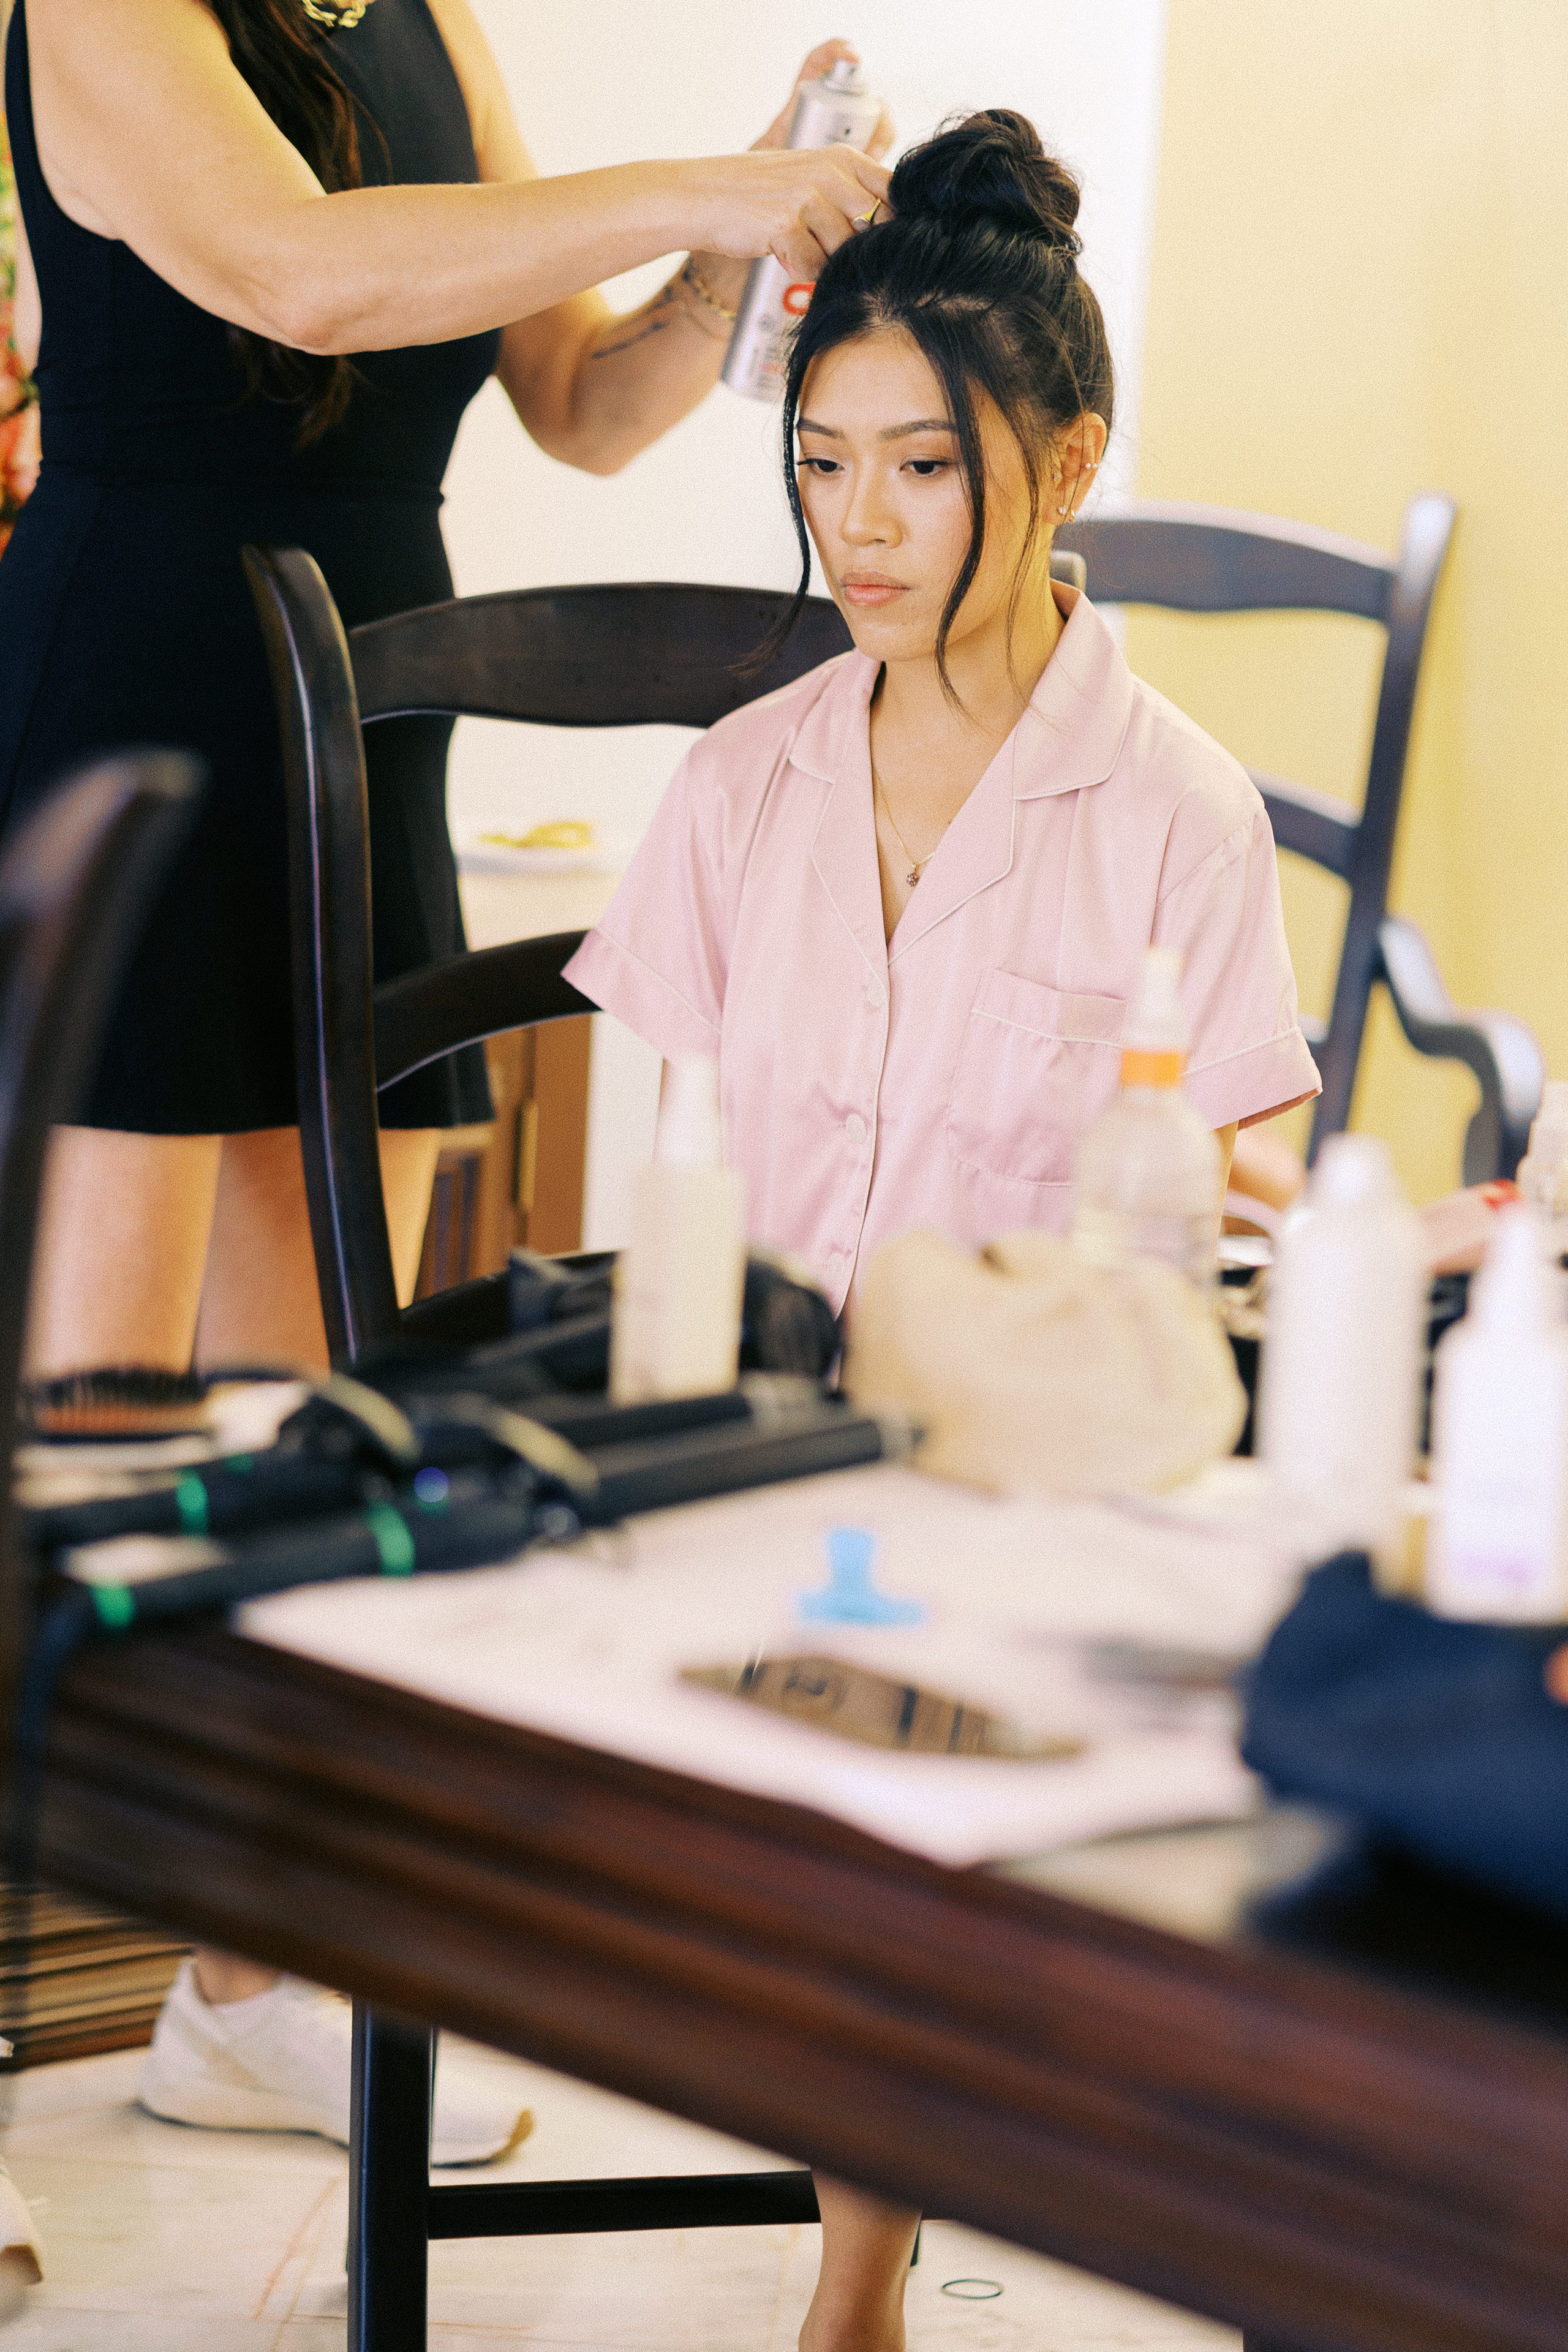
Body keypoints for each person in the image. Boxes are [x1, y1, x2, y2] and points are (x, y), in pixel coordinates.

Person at [0, 0, 892, 2201]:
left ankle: (239, 1987)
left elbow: (583, 407)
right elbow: (299, 269)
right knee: (81, 1433)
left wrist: (734, 241)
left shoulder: (425, 21)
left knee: (326, 1419)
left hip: (369, 700)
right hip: (136, 683)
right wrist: (707, 191)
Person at [567, 110, 1321, 1324]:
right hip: (747, 1450)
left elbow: (1158, 1295)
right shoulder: (733, 784)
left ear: (1069, 468)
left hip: (1015, 1465)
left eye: (922, 466)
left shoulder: (1184, 825)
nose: (856, 523)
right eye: (821, 462)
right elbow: (684, 1212)